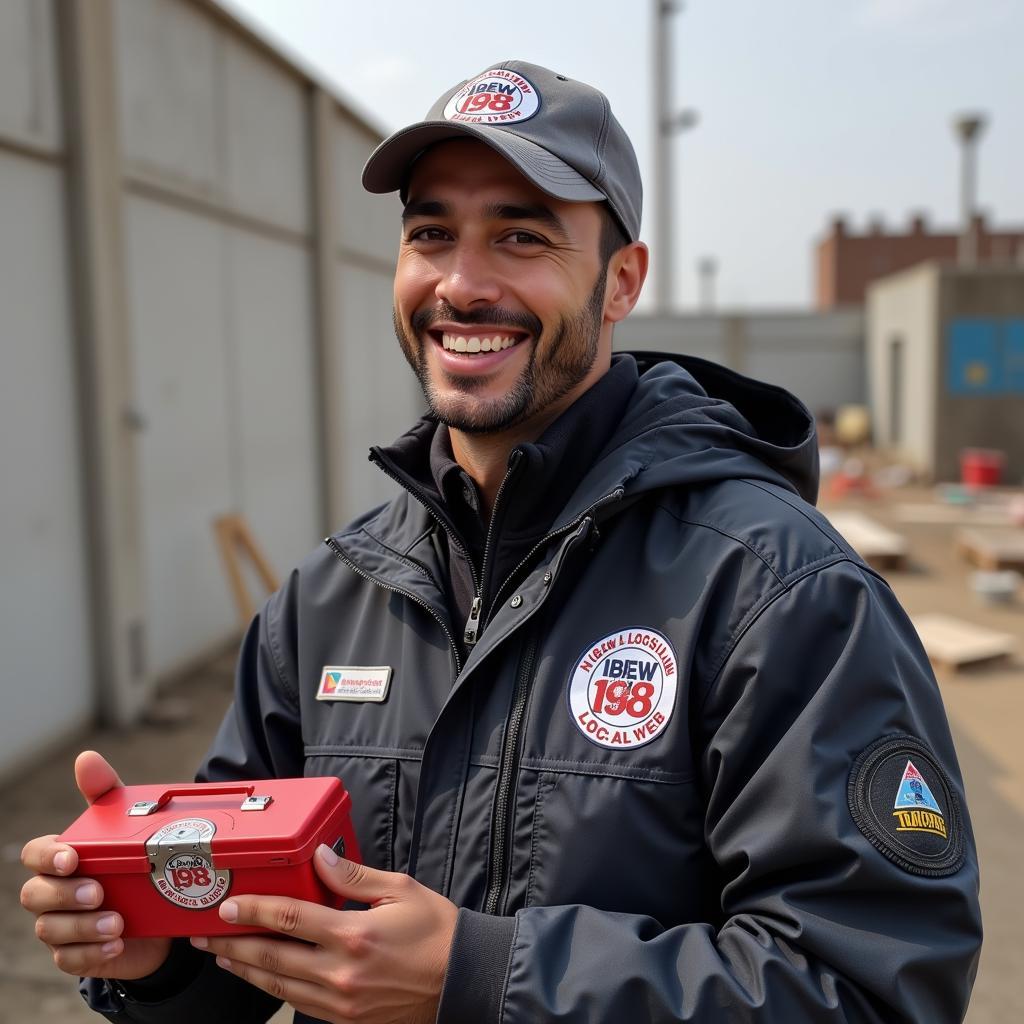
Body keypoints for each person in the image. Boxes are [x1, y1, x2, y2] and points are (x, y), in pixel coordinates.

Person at [22, 59, 981, 1023]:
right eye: (431, 233)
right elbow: (251, 944)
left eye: (522, 236)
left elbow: (871, 986)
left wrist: (479, 977)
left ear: (620, 282)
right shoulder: (332, 596)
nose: (462, 284)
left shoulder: (778, 589)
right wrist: (156, 954)